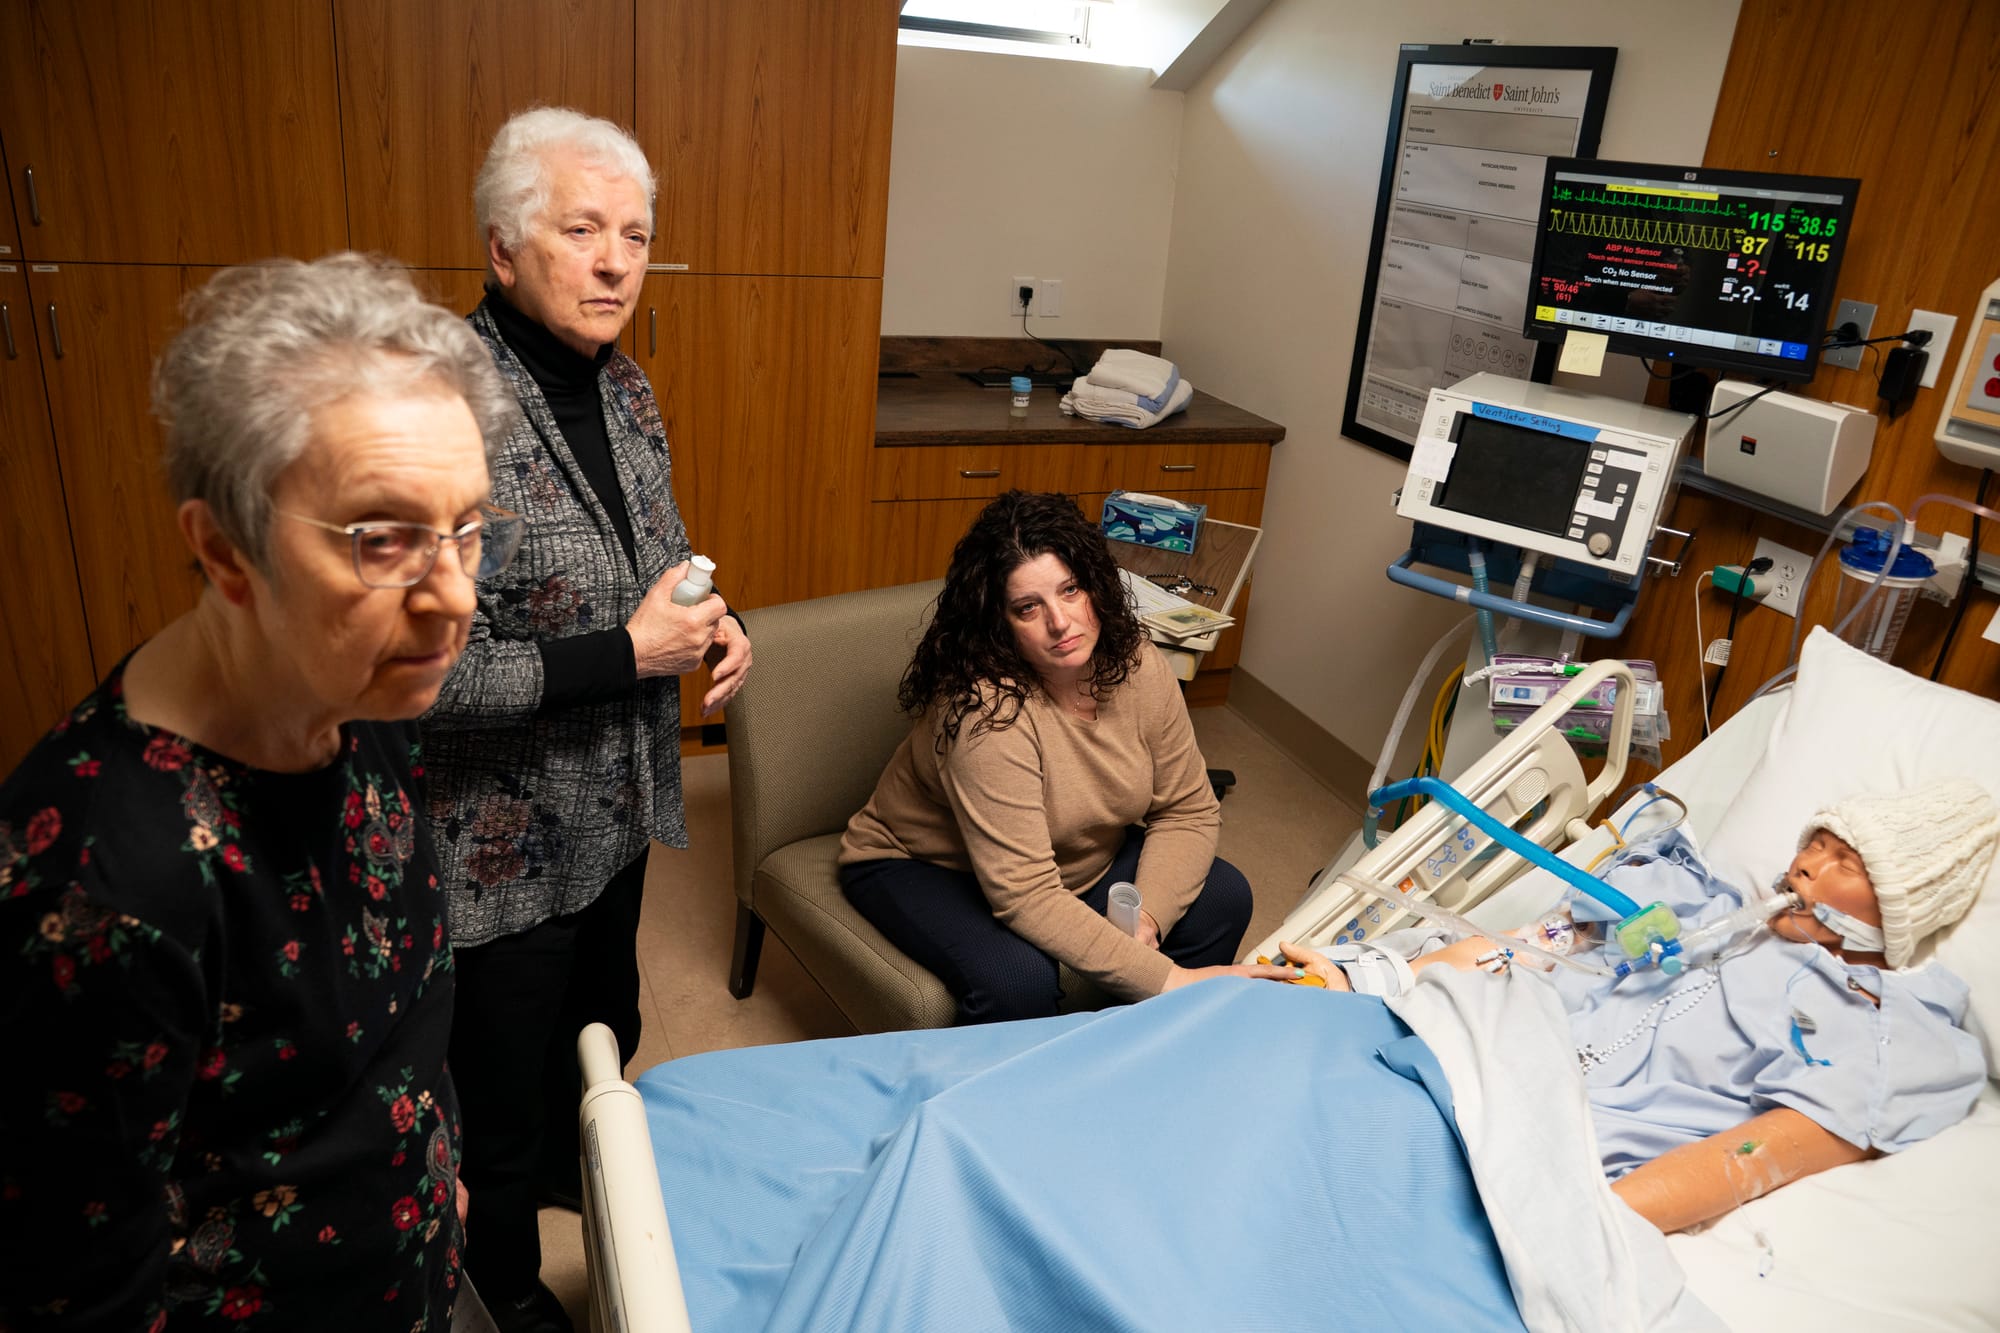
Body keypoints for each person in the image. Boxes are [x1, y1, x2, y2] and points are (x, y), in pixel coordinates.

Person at [0, 255, 521, 1329]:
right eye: (384, 538)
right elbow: (76, 1292)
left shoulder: (362, 690)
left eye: (467, 526)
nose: (456, 598)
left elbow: (398, 1005)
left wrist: (431, 1164)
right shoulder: (102, 889)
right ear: (224, 549)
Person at [421, 106, 750, 1333]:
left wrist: (719, 624)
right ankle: (502, 1289)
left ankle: (586, 1198)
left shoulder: (625, 388)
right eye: (582, 230)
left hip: (612, 817)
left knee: (596, 1037)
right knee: (494, 1107)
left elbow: (664, 559)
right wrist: (628, 650)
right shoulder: (439, 409)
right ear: (503, 247)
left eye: (637, 235)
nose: (617, 261)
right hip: (491, 850)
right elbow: (419, 675)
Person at [1278, 777, 2000, 1233]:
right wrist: (1378, 982)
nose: (1808, 861)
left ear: (1898, 911)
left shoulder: (1872, 1032)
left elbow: (1743, 1160)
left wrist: (1569, 1230)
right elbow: (1528, 948)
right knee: (1259, 1033)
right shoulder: (1690, 906)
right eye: (1815, 842)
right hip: (1444, 1063)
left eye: (1847, 861)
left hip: (1535, 1159)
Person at [840, 490, 1286, 1024]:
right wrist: (1172, 981)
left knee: (1224, 895)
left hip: (1073, 856)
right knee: (1018, 981)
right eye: (1029, 607)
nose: (1061, 622)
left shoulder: (1138, 663)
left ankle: (1140, 1058)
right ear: (998, 622)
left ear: (1094, 585)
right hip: (926, 864)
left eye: (1070, 590)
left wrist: (1145, 917)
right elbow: (1024, 892)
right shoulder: (986, 712)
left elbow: (1187, 809)